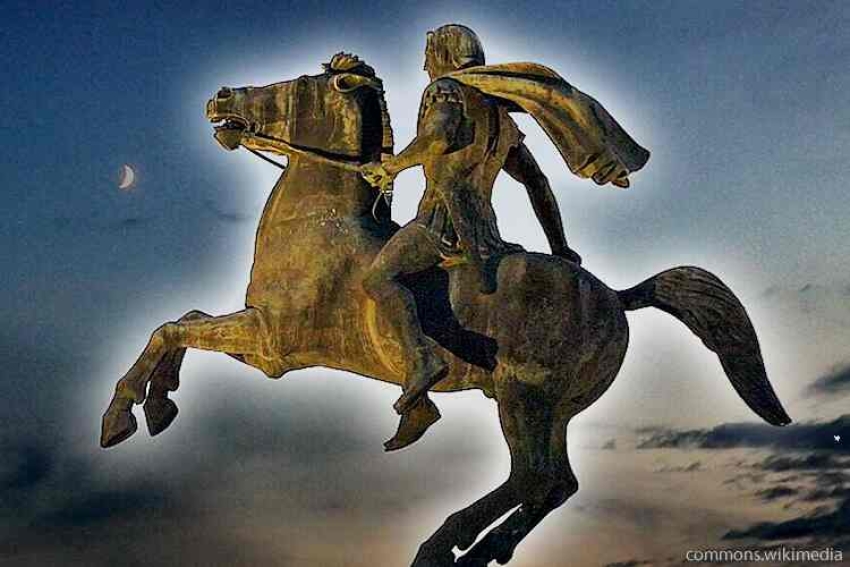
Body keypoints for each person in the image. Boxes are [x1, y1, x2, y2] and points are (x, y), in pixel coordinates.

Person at [361, 24, 648, 451]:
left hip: (440, 227)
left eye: (428, 57)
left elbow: (439, 138)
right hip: (487, 236)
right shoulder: (500, 118)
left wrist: (392, 167)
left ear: (443, 56)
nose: (425, 67)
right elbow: (537, 183)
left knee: (377, 278)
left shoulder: (444, 90)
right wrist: (560, 247)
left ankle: (421, 362)